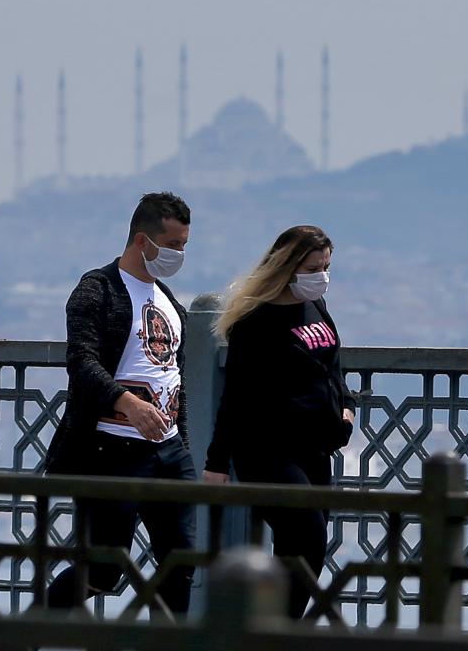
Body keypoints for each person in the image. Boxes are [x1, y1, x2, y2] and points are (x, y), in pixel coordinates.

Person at [43, 191, 197, 615]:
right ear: (142, 241)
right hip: (111, 449)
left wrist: (180, 441)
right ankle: (26, 636)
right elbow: (82, 362)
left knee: (183, 563)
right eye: (172, 245)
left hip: (168, 451)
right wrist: (126, 403)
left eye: (184, 245)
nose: (179, 254)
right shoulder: (97, 290)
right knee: (102, 569)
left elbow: (174, 380)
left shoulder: (171, 304)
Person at [203, 225, 357, 619]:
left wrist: (347, 405)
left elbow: (333, 367)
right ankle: (273, 631)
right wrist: (217, 462)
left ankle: (270, 628)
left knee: (306, 550)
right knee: (306, 536)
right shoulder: (257, 321)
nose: (320, 276)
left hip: (316, 448)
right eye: (311, 267)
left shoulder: (317, 308)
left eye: (326, 266)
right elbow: (236, 394)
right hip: (269, 450)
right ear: (288, 267)